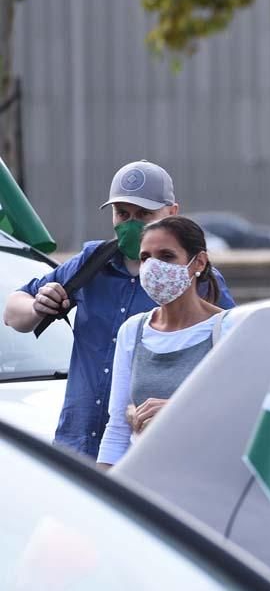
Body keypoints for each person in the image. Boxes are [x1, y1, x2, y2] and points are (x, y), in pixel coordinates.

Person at [3, 161, 235, 459]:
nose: (132, 224)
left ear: (171, 212)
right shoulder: (91, 262)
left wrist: (181, 405)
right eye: (122, 214)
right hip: (79, 441)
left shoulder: (194, 278)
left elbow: (231, 365)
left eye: (144, 214)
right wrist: (38, 305)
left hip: (152, 447)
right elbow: (13, 313)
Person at [97, 216, 235, 468]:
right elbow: (117, 429)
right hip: (145, 480)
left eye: (167, 256)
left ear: (199, 262)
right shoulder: (133, 330)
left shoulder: (229, 328)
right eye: (146, 257)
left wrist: (178, 410)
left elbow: (246, 415)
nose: (153, 267)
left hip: (210, 480)